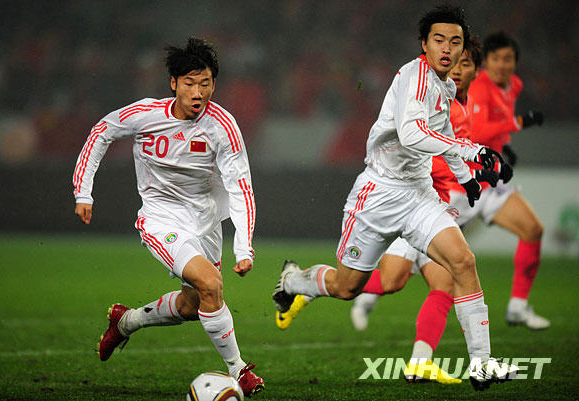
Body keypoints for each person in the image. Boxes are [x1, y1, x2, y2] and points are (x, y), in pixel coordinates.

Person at [272, 5, 518, 391]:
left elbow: (439, 139)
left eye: (455, 42)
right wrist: (473, 152)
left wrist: (465, 177)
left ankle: (482, 364)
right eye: (439, 40)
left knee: (463, 261)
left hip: (419, 195)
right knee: (346, 287)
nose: (447, 49)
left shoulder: (446, 87)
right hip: (378, 196)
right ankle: (294, 281)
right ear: (424, 44)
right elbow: (411, 134)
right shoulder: (413, 76)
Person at [72, 38, 264, 397]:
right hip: (162, 219)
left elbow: (241, 187)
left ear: (213, 85)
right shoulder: (146, 114)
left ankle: (125, 321)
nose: (198, 92)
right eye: (189, 83)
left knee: (194, 305)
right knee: (211, 285)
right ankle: (239, 370)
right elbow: (102, 131)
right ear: (173, 83)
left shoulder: (223, 126)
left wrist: (245, 248)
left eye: (205, 84)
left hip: (206, 221)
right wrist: (84, 191)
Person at [448, 31, 549, 329]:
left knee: (532, 229)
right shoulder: (478, 85)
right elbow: (476, 132)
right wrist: (519, 123)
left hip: (492, 183)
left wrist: (504, 147)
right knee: (415, 263)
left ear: (516, 63)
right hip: (464, 182)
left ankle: (518, 306)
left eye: (508, 59)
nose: (502, 65)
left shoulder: (513, 86)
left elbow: (493, 129)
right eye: (495, 59)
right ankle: (368, 290)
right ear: (484, 63)